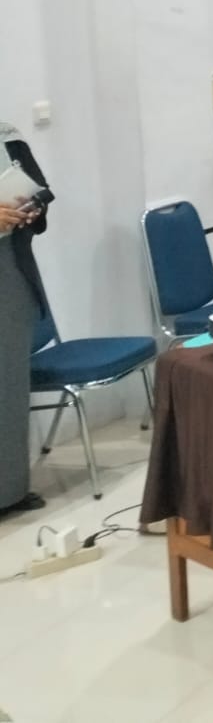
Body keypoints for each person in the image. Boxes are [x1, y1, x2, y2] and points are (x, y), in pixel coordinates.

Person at [1, 119, 50, 514]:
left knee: (10, 383)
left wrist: (32, 208)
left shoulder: (7, 136)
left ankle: (11, 489)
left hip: (10, 272)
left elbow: (41, 191)